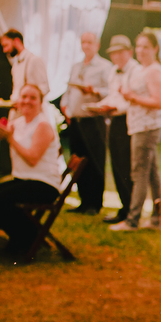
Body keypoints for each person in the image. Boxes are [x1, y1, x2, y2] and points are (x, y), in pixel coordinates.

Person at [0, 84, 65, 256]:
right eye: (24, 97)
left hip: (44, 183)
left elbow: (32, 158)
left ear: (40, 102)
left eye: (32, 98)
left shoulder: (43, 126)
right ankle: (23, 235)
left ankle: (27, 237)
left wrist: (9, 138)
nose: (27, 101)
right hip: (22, 180)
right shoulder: (18, 122)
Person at [110, 32, 161, 231]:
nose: (140, 51)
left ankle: (132, 220)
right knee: (151, 174)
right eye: (138, 46)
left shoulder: (153, 71)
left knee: (139, 173)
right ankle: (156, 219)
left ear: (155, 48)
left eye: (145, 46)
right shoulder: (143, 70)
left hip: (146, 128)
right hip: (140, 126)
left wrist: (132, 97)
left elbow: (160, 102)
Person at [62, 32, 113, 215]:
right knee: (79, 160)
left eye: (90, 42)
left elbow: (111, 91)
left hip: (93, 119)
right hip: (76, 119)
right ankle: (83, 201)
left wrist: (96, 91)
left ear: (97, 44)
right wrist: (65, 104)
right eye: (83, 42)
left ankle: (95, 203)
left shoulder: (104, 66)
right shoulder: (76, 66)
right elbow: (69, 89)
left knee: (94, 161)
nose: (86, 45)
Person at [96, 35, 138, 224]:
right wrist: (100, 106)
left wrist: (115, 108)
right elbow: (114, 96)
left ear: (129, 52)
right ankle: (124, 207)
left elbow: (133, 101)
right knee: (116, 165)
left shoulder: (136, 71)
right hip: (114, 121)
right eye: (114, 53)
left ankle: (130, 209)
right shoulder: (114, 71)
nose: (117, 57)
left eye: (120, 53)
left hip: (129, 122)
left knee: (127, 166)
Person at [0, 29, 49, 102]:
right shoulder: (15, 65)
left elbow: (44, 88)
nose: (4, 50)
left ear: (17, 41)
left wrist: (28, 101)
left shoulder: (34, 60)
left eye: (6, 45)